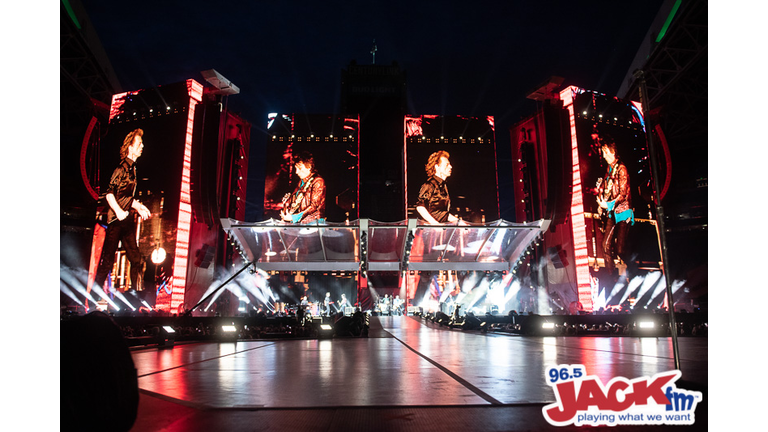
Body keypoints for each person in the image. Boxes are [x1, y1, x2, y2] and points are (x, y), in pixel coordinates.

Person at [94, 129, 152, 293]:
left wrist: (138, 206)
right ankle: (91, 299)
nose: (142, 146)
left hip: (126, 221)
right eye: (139, 144)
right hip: (116, 222)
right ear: (130, 148)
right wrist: (119, 211)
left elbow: (125, 196)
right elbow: (109, 194)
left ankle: (135, 297)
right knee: (107, 262)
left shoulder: (133, 170)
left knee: (137, 259)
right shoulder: (121, 169)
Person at [595, 134, 634, 277]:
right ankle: (611, 277)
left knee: (620, 249)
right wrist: (601, 203)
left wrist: (608, 204)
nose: (604, 155)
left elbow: (623, 194)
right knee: (605, 245)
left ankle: (631, 271)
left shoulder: (621, 169)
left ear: (612, 152)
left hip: (623, 213)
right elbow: (607, 190)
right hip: (612, 212)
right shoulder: (609, 170)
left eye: (606, 152)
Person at [416, 151, 463, 225]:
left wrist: (459, 222)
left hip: (439, 229)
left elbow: (441, 214)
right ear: (437, 166)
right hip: (429, 231)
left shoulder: (443, 186)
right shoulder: (429, 185)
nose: (450, 166)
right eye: (447, 165)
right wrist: (435, 224)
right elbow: (420, 207)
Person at [280, 151, 326, 224]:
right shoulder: (301, 181)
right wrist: (286, 208)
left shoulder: (318, 181)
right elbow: (295, 201)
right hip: (302, 222)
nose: (296, 172)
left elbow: (314, 206)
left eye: (300, 168)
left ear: (309, 167)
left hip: (314, 222)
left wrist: (294, 217)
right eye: (296, 168)